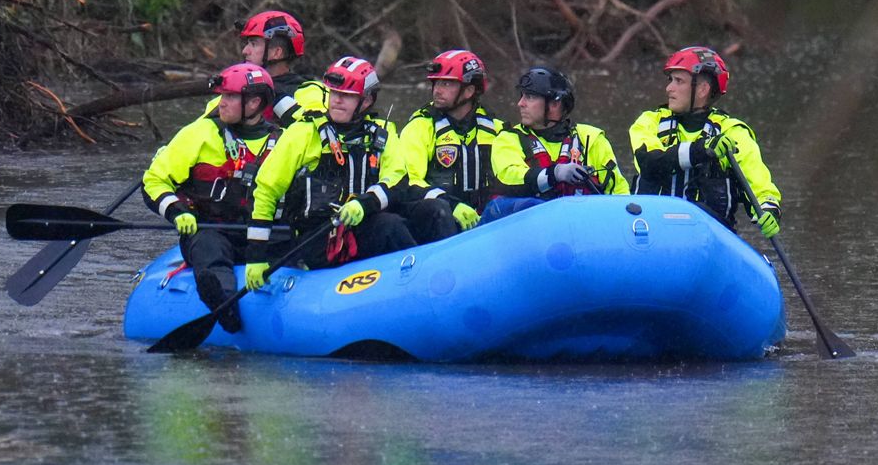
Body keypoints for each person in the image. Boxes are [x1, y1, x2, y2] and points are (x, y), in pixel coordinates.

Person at [242, 56, 433, 289]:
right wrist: (255, 256)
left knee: (416, 216)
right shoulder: (303, 133)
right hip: (317, 238)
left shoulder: (382, 134)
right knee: (388, 226)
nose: (337, 101)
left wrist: (364, 203)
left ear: (366, 101)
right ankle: (417, 286)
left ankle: (426, 280)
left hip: (364, 223)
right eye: (334, 93)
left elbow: (398, 180)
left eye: (347, 96)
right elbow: (266, 191)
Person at [142, 63, 279, 332]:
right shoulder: (200, 133)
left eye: (230, 97)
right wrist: (177, 211)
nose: (221, 102)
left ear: (254, 103)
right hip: (210, 230)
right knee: (210, 247)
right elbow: (154, 181)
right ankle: (225, 306)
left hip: (262, 234)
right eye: (222, 95)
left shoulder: (283, 141)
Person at [628, 46, 782, 234]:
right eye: (670, 80)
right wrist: (701, 151)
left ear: (702, 89)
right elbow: (650, 162)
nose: (669, 88)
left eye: (679, 81)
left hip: (708, 236)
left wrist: (768, 210)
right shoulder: (649, 122)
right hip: (650, 232)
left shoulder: (732, 132)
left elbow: (760, 187)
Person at [484, 66, 629, 222]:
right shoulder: (508, 139)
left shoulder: (591, 138)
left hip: (582, 225)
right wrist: (554, 174)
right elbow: (509, 178)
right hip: (529, 226)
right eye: (522, 96)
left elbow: (619, 192)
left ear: (554, 104)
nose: (520, 103)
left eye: (530, 97)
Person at [394, 49, 503, 233]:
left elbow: (512, 174)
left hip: (483, 218)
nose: (437, 90)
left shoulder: (496, 129)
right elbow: (409, 181)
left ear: (469, 90)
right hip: (439, 218)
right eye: (436, 83)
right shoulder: (420, 127)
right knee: (439, 211)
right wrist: (450, 204)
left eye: (446, 84)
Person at [204, 10, 326, 126]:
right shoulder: (229, 94)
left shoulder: (309, 93)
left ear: (277, 53)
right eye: (247, 44)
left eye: (254, 44)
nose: (245, 51)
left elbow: (318, 130)